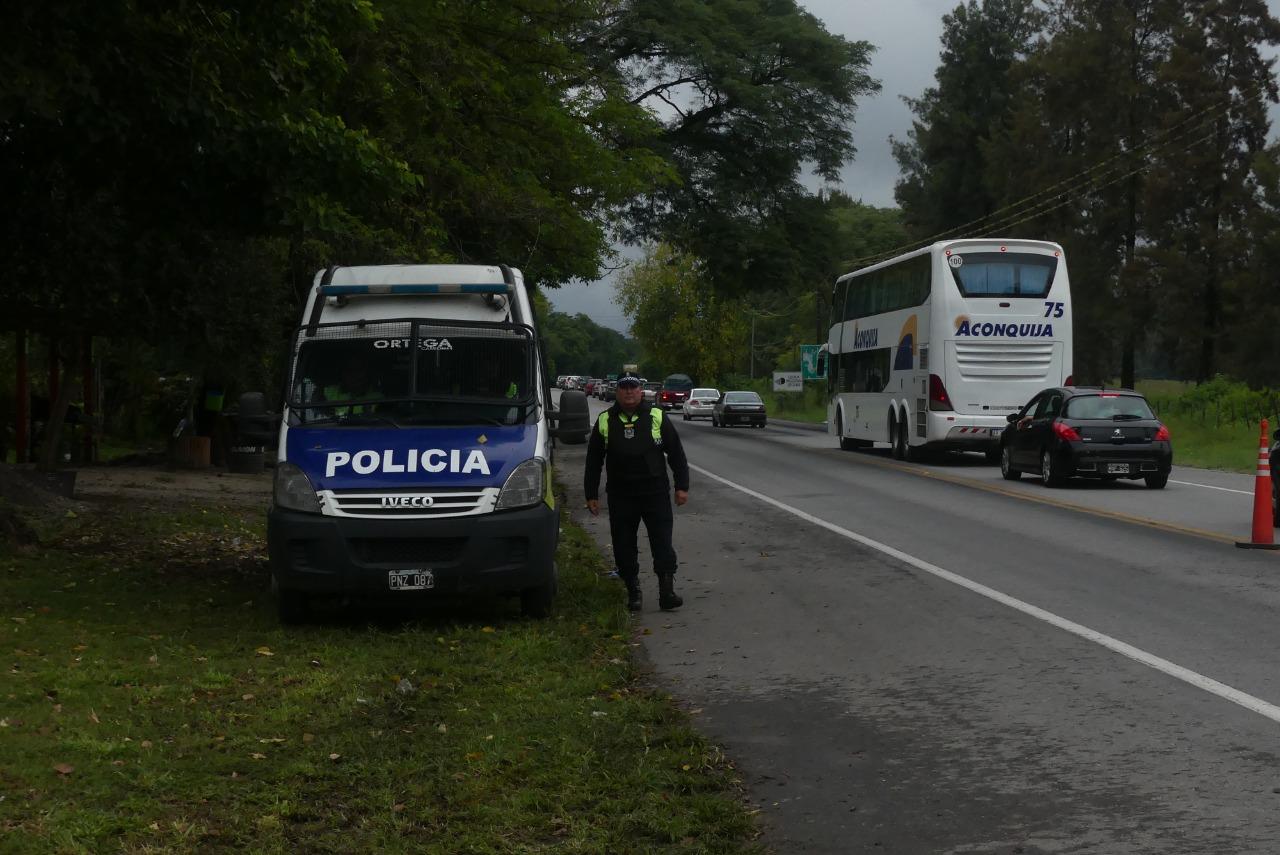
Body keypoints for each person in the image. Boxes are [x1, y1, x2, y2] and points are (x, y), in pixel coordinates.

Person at [584, 371, 690, 612]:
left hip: (655, 493)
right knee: (623, 546)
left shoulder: (656, 416)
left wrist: (681, 486)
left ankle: (667, 592)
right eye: (624, 387)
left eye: (633, 387)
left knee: (662, 543)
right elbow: (593, 461)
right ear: (617, 391)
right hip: (621, 495)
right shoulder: (605, 420)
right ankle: (633, 592)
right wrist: (591, 494)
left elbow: (676, 454)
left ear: (641, 391)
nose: (629, 391)